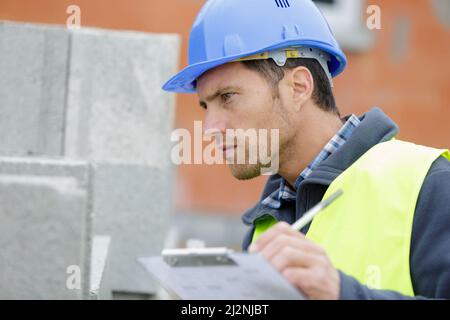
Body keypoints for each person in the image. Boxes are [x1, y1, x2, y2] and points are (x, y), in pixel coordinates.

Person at [162, 0, 450, 299]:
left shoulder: (428, 185)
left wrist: (341, 292)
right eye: (206, 105)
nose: (210, 128)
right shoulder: (265, 226)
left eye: (228, 96)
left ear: (298, 87)